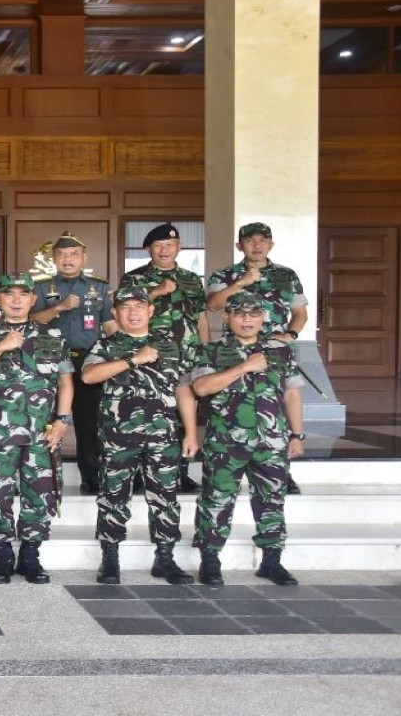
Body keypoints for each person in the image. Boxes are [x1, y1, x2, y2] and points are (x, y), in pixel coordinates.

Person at [81, 287, 198, 586]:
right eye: (125, 307)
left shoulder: (171, 346)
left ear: (150, 311)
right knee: (113, 496)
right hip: (118, 437)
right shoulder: (106, 345)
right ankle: (110, 559)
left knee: (165, 497)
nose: (132, 312)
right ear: (115, 313)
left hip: (163, 436)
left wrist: (191, 432)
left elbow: (183, 389)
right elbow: (88, 376)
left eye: (139, 306)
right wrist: (133, 360)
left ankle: (165, 558)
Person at [0, 273, 73, 585]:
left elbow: (65, 381)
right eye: (8, 293)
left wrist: (62, 421)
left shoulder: (53, 336)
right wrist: (1, 346)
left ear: (32, 299)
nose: (15, 300)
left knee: (39, 492)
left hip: (42, 433)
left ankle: (30, 554)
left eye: (23, 294)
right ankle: (2, 554)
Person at [191, 292, 305, 588]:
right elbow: (202, 388)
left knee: (272, 500)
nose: (247, 320)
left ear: (263, 317)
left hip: (272, 442)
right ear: (227, 316)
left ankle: (271, 561)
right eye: (240, 314)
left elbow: (292, 393)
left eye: (254, 314)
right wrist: (243, 367)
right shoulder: (211, 351)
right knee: (216, 500)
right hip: (226, 443)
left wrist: (296, 434)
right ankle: (210, 561)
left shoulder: (281, 352)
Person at [206, 221, 309, 494]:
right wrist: (241, 282)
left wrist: (290, 335)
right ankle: (227, 469)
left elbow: (300, 312)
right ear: (240, 245)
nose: (257, 245)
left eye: (263, 240)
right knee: (234, 409)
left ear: (271, 245)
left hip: (275, 351)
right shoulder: (225, 274)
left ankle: (281, 471)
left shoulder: (287, 275)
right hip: (234, 351)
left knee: (278, 407)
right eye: (250, 241)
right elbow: (213, 305)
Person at [119, 223, 209, 494]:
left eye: (169, 245)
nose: (164, 250)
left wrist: (205, 353)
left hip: (187, 357)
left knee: (184, 415)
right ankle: (138, 472)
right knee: (146, 414)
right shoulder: (134, 278)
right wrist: (156, 291)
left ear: (179, 247)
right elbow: (123, 313)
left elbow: (201, 317)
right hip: (150, 358)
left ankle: (180, 472)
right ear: (149, 249)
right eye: (158, 246)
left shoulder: (192, 279)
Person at [30, 232, 115, 496]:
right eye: (62, 255)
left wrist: (117, 356)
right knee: (45, 420)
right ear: (54, 259)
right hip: (49, 364)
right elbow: (30, 321)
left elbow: (110, 325)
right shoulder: (41, 287)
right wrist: (60, 308)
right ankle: (43, 476)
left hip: (87, 362)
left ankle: (91, 477)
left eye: (73, 254)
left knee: (89, 423)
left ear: (84, 259)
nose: (68, 259)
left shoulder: (100, 288)